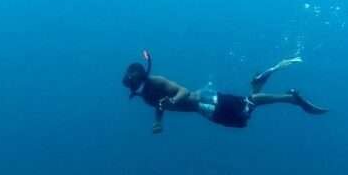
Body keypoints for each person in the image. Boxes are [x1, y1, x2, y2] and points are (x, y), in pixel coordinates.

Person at [122, 51, 328, 133]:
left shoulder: (156, 81)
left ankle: (291, 98)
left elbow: (182, 91)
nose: (136, 90)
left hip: (206, 101)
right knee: (245, 115)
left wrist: (173, 100)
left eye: (136, 86)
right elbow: (160, 106)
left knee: (248, 104)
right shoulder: (145, 96)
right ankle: (260, 79)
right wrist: (158, 121)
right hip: (204, 110)